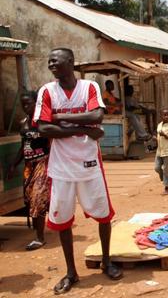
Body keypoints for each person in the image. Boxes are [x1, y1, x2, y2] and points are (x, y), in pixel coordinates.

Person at [34, 48, 122, 294]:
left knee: (103, 215)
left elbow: (97, 115)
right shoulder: (47, 91)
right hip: (61, 167)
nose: (51, 63)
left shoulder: (89, 87)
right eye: (49, 60)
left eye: (55, 60)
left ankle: (106, 260)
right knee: (62, 221)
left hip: (89, 163)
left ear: (70, 62)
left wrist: (60, 118)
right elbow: (43, 128)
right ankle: (71, 271)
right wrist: (82, 129)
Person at [8, 91, 51, 251]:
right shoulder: (24, 122)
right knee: (29, 199)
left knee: (37, 198)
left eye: (29, 103)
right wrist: (14, 164)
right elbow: (23, 146)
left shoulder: (43, 121)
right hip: (28, 166)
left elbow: (52, 142)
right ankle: (39, 231)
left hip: (42, 162)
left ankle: (40, 238)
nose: (26, 106)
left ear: (36, 103)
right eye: (23, 104)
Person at [155, 109, 168, 195]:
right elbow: (159, 137)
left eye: (167, 115)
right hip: (160, 151)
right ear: (161, 116)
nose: (166, 116)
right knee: (157, 168)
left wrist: (165, 135)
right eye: (164, 115)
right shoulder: (159, 125)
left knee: (165, 170)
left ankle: (166, 187)